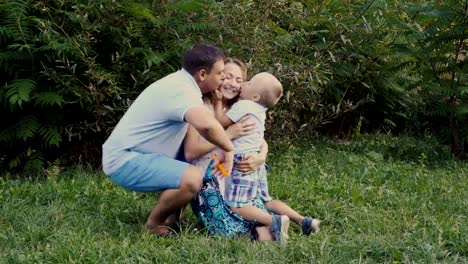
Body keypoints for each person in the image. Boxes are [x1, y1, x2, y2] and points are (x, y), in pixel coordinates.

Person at [101, 44, 235, 236]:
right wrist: (228, 149)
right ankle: (153, 224)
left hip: (135, 155)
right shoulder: (182, 91)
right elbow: (207, 126)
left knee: (186, 166)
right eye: (220, 73)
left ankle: (173, 217)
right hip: (125, 160)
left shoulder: (181, 83)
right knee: (192, 178)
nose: (223, 77)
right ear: (203, 74)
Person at [214, 72, 321, 242]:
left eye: (247, 82)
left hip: (242, 161)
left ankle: (275, 221)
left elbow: (218, 122)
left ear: (255, 96)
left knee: (237, 205)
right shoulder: (260, 110)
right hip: (256, 161)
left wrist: (217, 100)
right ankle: (303, 221)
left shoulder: (243, 106)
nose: (244, 84)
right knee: (266, 201)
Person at [184, 58, 273, 240]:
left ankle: (271, 229)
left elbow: (260, 139)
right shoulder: (200, 107)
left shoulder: (240, 108)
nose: (232, 84)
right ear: (217, 77)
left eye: (239, 80)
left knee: (257, 218)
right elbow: (191, 152)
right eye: (227, 77)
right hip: (210, 177)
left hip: (236, 179)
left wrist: (262, 156)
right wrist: (228, 135)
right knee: (232, 230)